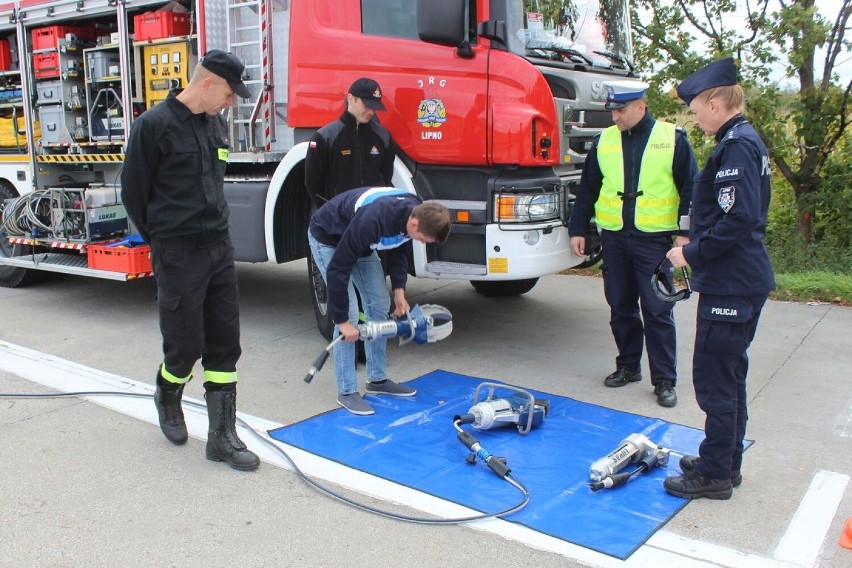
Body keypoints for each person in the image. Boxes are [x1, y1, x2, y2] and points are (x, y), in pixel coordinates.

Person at [121, 50, 260, 471]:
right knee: (185, 345)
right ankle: (168, 391)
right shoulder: (153, 127)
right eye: (230, 93)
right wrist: (163, 242)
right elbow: (133, 193)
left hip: (218, 248)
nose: (231, 102)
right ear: (207, 83)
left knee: (224, 342)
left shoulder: (214, 124)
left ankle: (221, 437)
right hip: (178, 252)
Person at [663, 58, 774, 500]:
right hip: (737, 280)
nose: (693, 116)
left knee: (715, 380)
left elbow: (739, 218)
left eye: (695, 107)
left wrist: (688, 253)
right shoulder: (740, 140)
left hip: (733, 282)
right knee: (729, 375)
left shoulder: (737, 146)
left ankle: (714, 474)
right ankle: (724, 460)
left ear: (716, 100)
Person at [569, 80, 697, 407]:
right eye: (612, 109)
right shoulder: (604, 142)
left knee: (657, 309)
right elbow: (587, 190)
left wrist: (685, 235)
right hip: (614, 238)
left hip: (654, 242)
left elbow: (692, 191)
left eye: (621, 109)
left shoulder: (672, 139)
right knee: (620, 306)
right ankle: (628, 366)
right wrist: (578, 229)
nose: (615, 116)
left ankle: (665, 380)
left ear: (642, 105)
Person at [307, 186, 451, 415]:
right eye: (425, 239)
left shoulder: (416, 211)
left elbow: (398, 251)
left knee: (380, 304)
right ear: (415, 225)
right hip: (328, 239)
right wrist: (343, 321)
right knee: (351, 315)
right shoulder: (375, 218)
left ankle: (377, 379)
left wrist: (400, 293)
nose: (423, 243)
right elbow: (338, 269)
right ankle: (346, 391)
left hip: (360, 244)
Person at [305, 77, 396, 209]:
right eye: (367, 105)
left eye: (375, 107)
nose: (371, 111)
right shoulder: (324, 137)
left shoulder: (384, 137)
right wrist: (330, 211)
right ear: (350, 99)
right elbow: (313, 183)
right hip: (339, 219)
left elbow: (386, 179)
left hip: (373, 215)